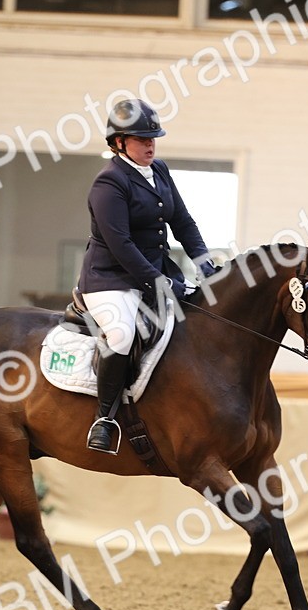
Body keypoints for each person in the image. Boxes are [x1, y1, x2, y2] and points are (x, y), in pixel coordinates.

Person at [77, 98, 219, 454]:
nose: (150, 146)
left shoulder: (160, 170)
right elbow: (121, 245)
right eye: (142, 140)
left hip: (154, 274)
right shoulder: (109, 183)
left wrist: (204, 264)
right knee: (123, 334)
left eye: (153, 138)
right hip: (110, 280)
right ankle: (104, 419)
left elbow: (182, 222)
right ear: (119, 142)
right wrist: (159, 281)